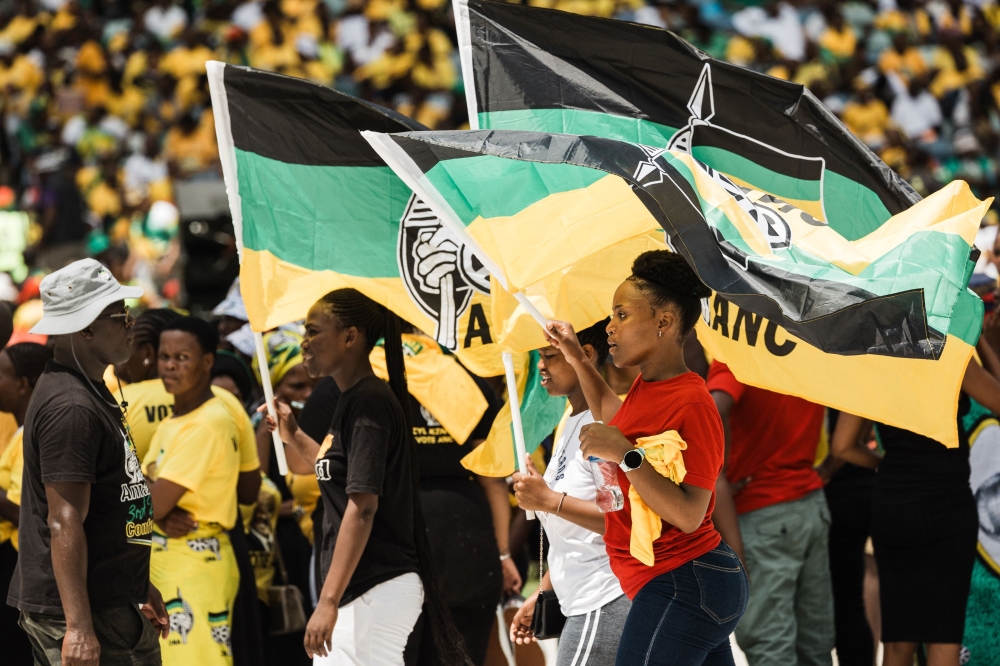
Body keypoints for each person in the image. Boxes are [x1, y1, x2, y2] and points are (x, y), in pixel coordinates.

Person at [544, 251, 748, 666]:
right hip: (677, 582)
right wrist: (576, 356)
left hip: (687, 579)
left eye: (621, 315)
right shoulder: (647, 387)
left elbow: (690, 514)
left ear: (664, 323)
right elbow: (610, 411)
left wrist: (626, 455)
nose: (610, 327)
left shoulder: (694, 402)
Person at [262, 288, 468, 665]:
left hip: (375, 587)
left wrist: (327, 601)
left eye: (312, 332)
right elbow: (332, 470)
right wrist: (292, 435)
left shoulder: (368, 401)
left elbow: (363, 506)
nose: (304, 343)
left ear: (350, 336)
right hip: (363, 590)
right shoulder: (352, 399)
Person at [7, 258, 168, 666]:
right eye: (121, 315)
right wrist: (78, 627)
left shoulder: (87, 387)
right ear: (86, 327)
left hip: (107, 599)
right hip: (83, 612)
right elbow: (64, 520)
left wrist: (134, 582)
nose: (132, 323)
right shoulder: (72, 406)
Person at [832, 338, 1000, 666]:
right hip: (948, 503)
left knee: (897, 637)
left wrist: (885, 463)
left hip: (894, 504)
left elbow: (842, 447)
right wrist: (981, 341)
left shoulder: (871, 357)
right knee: (944, 634)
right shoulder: (952, 353)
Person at [509, 319, 630, 666]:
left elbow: (620, 518)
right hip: (581, 600)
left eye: (549, 355)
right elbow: (573, 534)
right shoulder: (571, 421)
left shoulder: (599, 425)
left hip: (604, 599)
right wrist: (546, 589)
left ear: (585, 354)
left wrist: (548, 500)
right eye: (539, 356)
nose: (540, 366)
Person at [390, 328, 512, 665]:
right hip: (467, 540)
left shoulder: (361, 377)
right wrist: (503, 554)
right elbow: (492, 475)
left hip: (398, 540)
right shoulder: (462, 377)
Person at [706, 361, 834, 666]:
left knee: (770, 646)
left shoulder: (740, 349)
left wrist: (718, 471)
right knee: (815, 647)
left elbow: (711, 410)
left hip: (762, 510)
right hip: (810, 504)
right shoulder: (807, 341)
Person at [144, 316, 244, 666]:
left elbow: (147, 507)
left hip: (195, 562)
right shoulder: (176, 419)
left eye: (181, 357)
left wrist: (158, 508)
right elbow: (151, 502)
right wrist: (160, 510)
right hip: (173, 563)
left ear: (207, 361)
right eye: (163, 356)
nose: (169, 365)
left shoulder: (206, 423)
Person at [0, 342, 52, 663]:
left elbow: (26, 512)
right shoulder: (22, 431)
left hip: (21, 567)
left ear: (22, 384)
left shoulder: (33, 431)